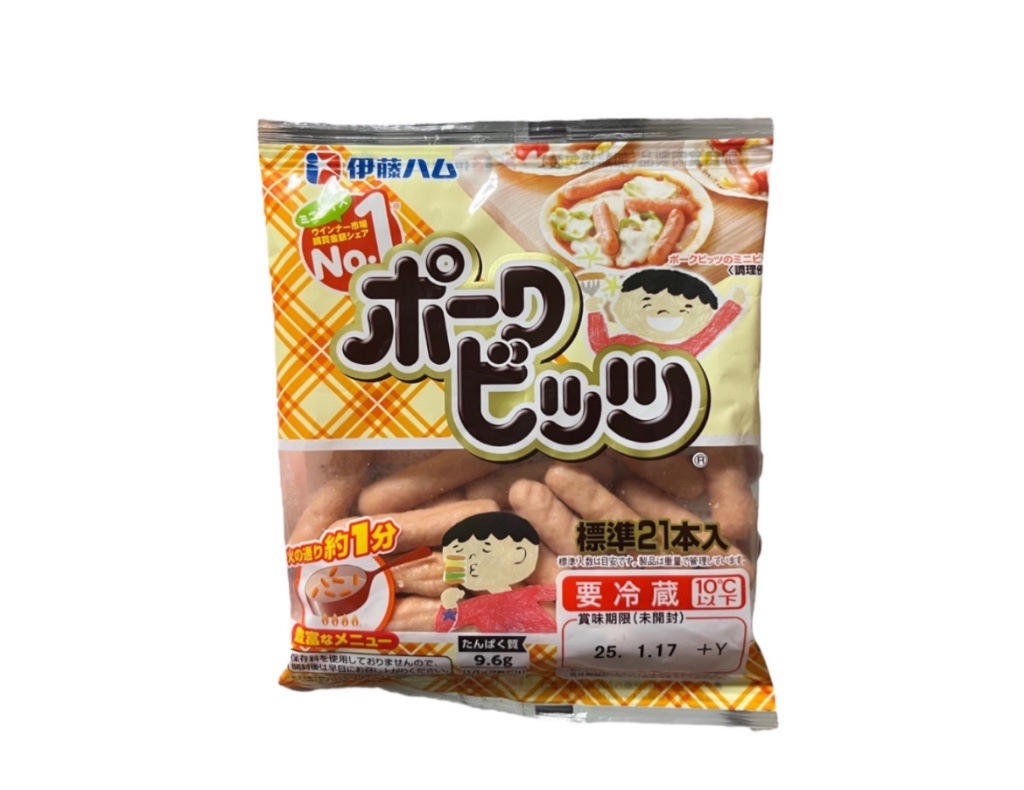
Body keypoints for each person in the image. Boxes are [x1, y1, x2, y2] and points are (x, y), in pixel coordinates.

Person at [435, 512, 555, 633]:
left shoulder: (526, 594)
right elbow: (445, 625)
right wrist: (449, 604)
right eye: (463, 553)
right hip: (503, 643)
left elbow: (558, 592)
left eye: (485, 550)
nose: (473, 561)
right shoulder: (478, 606)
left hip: (545, 641)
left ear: (519, 554)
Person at [586, 269, 744, 356]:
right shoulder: (624, 343)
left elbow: (708, 333)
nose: (665, 313)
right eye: (648, 305)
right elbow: (600, 344)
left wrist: (733, 306)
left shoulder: (680, 353)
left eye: (684, 309)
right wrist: (593, 311)